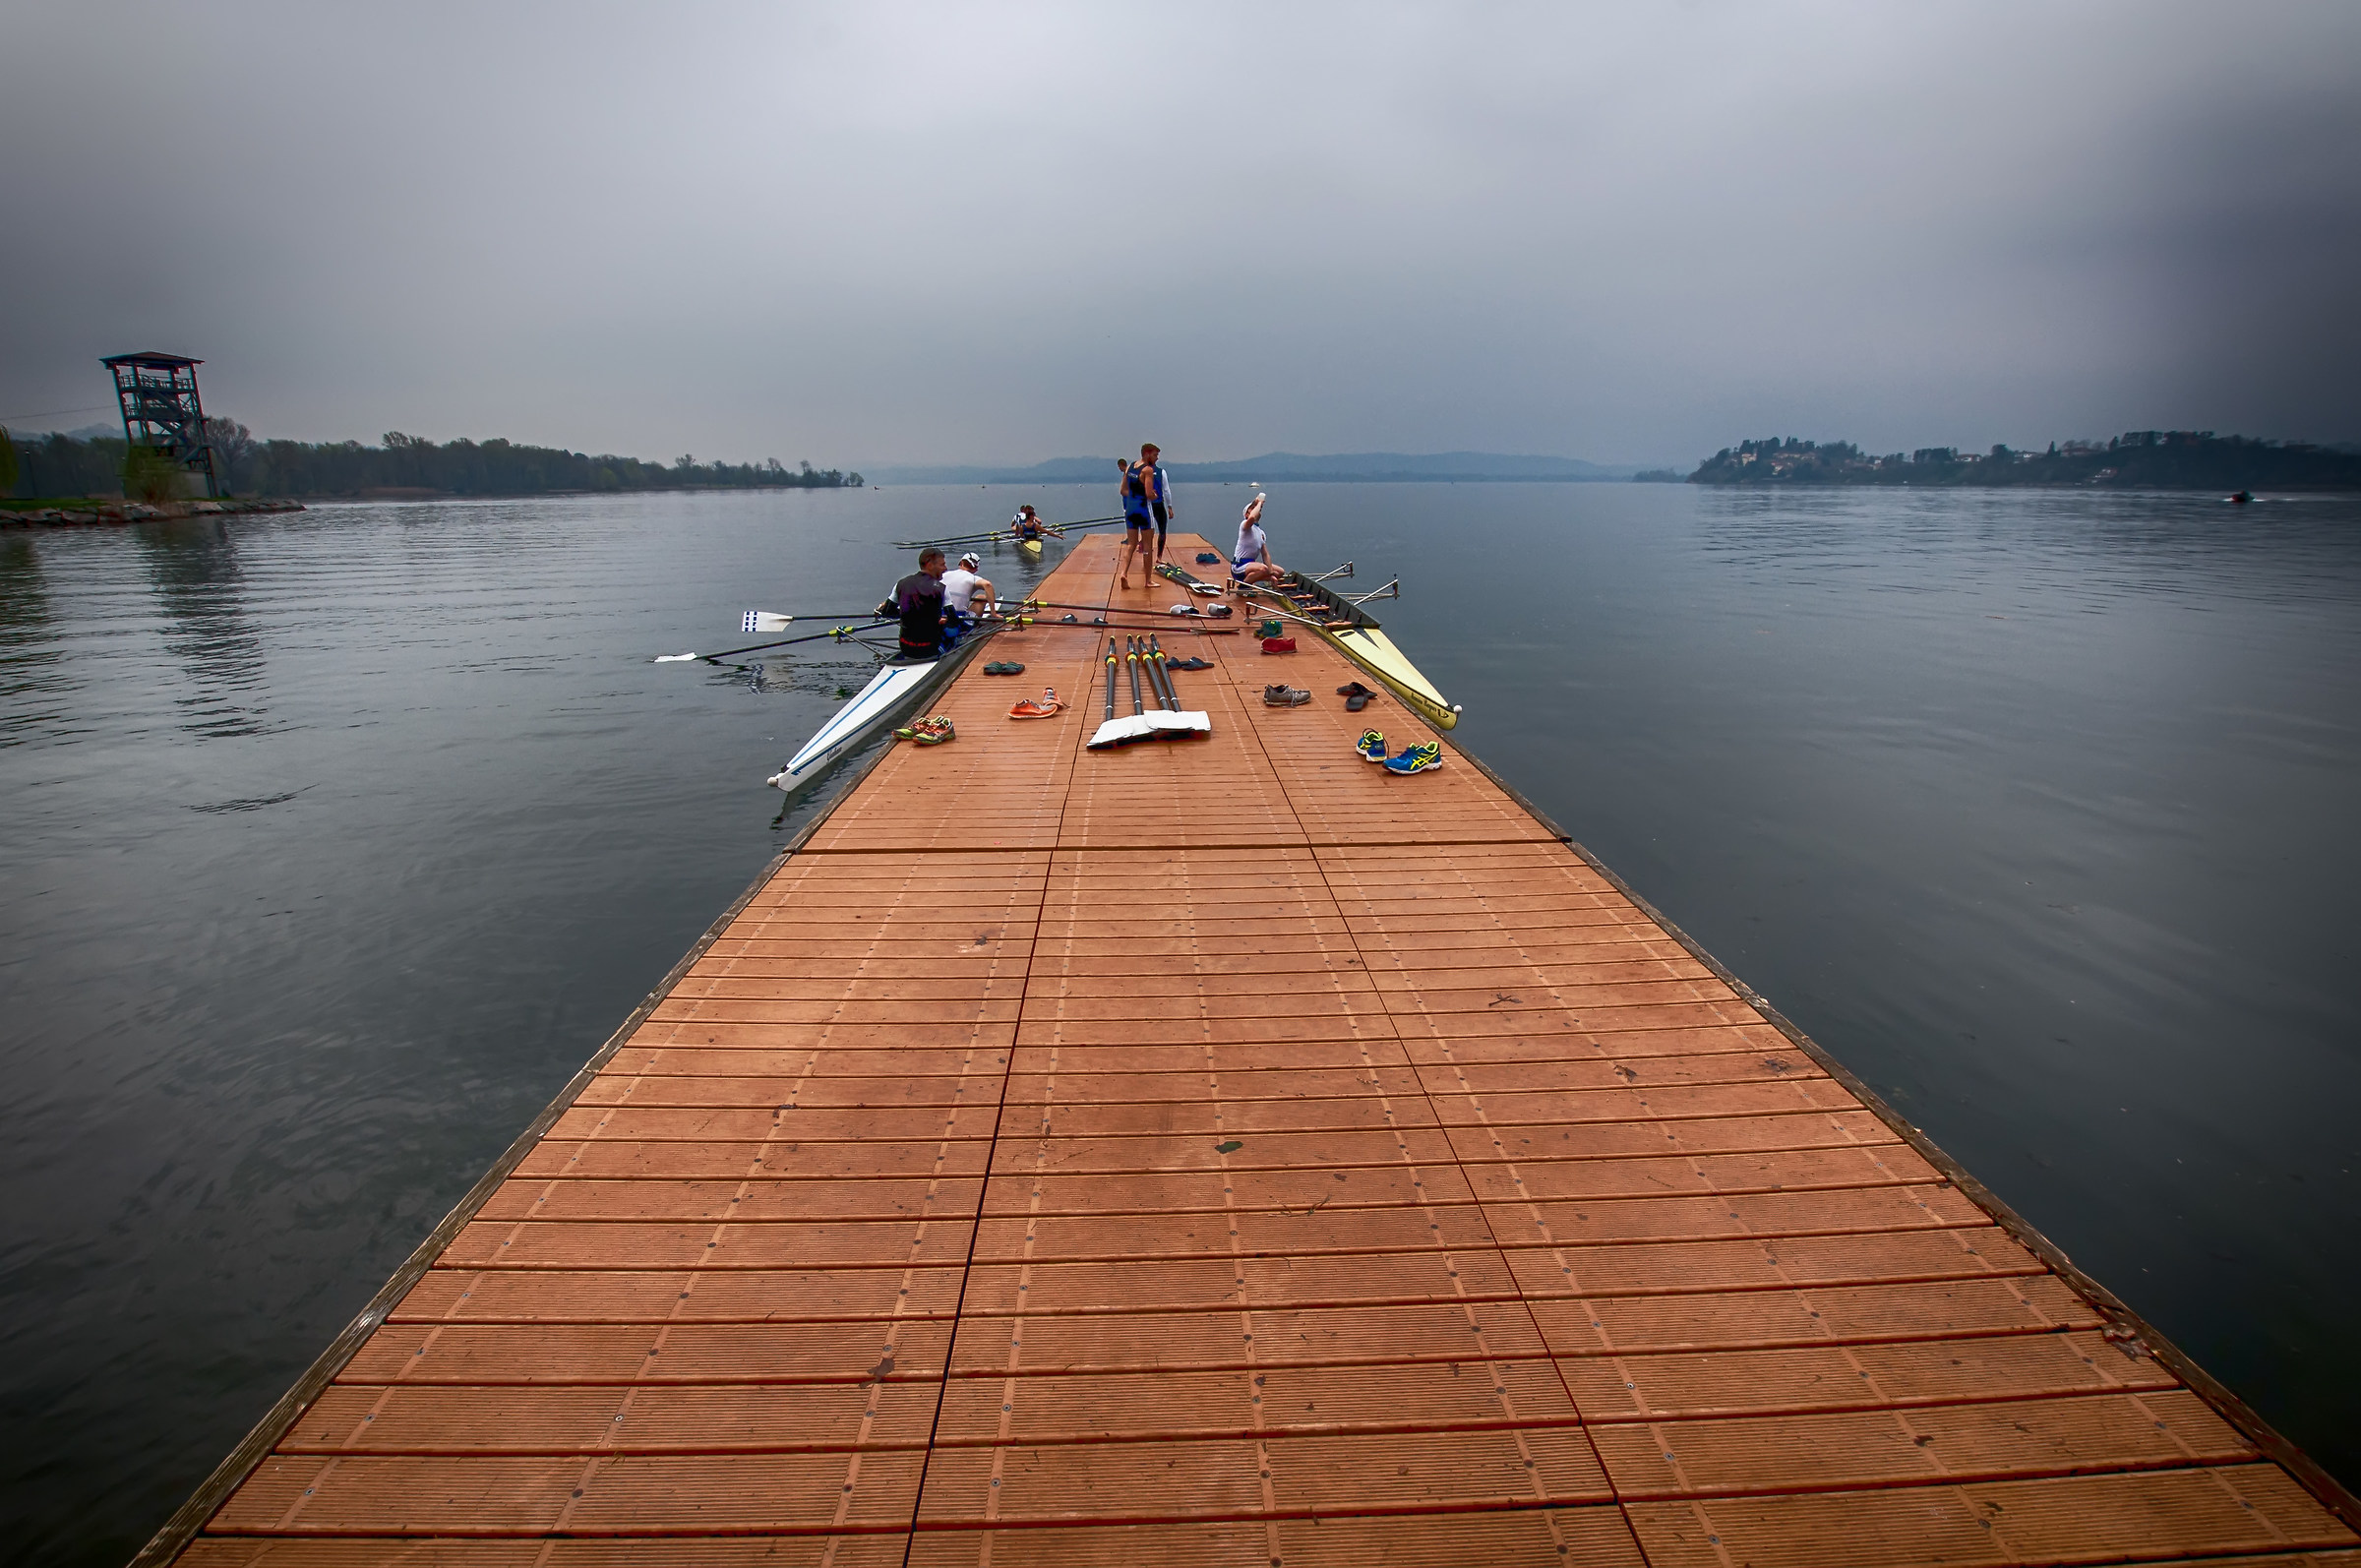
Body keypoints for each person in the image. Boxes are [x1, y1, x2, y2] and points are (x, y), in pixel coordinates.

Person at [878, 548, 949, 659]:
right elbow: (954, 621)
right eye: (942, 565)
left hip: (907, 648)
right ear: (929, 564)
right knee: (954, 632)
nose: (945, 569)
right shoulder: (941, 588)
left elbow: (887, 613)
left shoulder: (901, 583)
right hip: (930, 649)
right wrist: (943, 619)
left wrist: (908, 614)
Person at [1119, 442, 1173, 586]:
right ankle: (1148, 580)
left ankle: (1123, 573)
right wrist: (1154, 495)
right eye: (1155, 455)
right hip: (1143, 509)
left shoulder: (1129, 467)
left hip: (1130, 509)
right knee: (1148, 546)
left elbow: (1123, 490)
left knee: (1131, 544)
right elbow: (1149, 494)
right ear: (1147, 454)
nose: (1156, 458)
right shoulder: (1147, 470)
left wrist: (1135, 496)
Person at [1232, 492, 1285, 584]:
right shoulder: (1245, 525)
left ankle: (1252, 579)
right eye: (1252, 509)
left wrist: (1271, 574)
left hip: (1251, 565)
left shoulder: (1261, 533)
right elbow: (1252, 517)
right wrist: (1259, 502)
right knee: (1263, 568)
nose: (1257, 510)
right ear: (1246, 515)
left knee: (1279, 572)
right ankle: (1244, 587)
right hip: (1238, 566)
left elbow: (1265, 555)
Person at [938, 551, 996, 626]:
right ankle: (972, 624)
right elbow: (987, 585)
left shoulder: (944, 575)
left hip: (939, 616)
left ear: (961, 563)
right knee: (981, 597)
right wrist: (993, 613)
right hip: (959, 620)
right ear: (976, 569)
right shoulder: (973, 578)